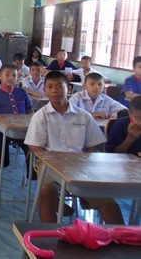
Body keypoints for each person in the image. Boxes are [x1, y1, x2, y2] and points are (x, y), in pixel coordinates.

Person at [24, 71, 125, 224]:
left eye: (59, 86)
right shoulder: (40, 116)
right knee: (46, 192)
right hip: (49, 163)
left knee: (107, 201)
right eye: (50, 87)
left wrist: (85, 163)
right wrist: (57, 163)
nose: (55, 90)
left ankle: (120, 240)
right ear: (45, 90)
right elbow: (35, 147)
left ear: (68, 89)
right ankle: (50, 237)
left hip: (81, 165)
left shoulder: (83, 116)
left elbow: (93, 145)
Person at [0, 64, 34, 197]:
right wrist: (1, 120)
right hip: (0, 127)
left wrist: (28, 120)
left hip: (22, 128)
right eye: (7, 75)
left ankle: (34, 176)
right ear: (0, 76)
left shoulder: (22, 93)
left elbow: (30, 111)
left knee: (35, 143)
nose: (11, 78)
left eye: (14, 75)